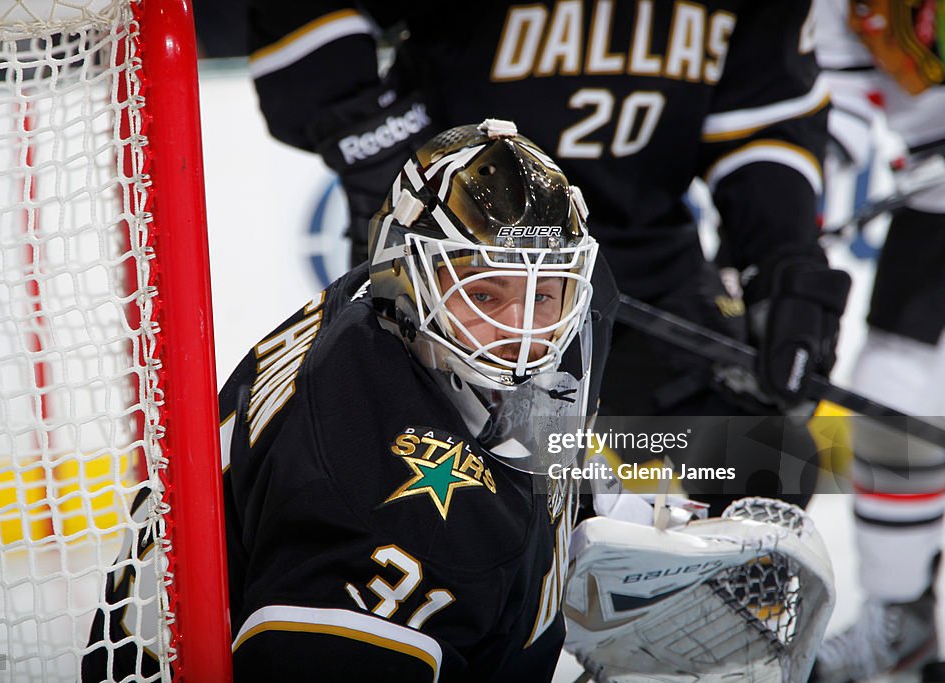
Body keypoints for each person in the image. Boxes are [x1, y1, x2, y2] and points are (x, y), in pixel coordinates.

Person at [247, 1, 852, 515]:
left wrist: (780, 257)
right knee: (446, 502)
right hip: (461, 269)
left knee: (756, 466)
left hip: (640, 269)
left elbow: (763, 120)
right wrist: (377, 136)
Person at [82, 120, 615, 680]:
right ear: (407, 275)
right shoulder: (378, 495)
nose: (522, 333)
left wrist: (654, 481)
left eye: (545, 295)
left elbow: (527, 419)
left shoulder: (393, 309)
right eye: (482, 293)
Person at [810, 0, 945, 680]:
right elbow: (841, 97)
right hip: (935, 204)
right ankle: (901, 616)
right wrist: (810, 172)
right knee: (894, 396)